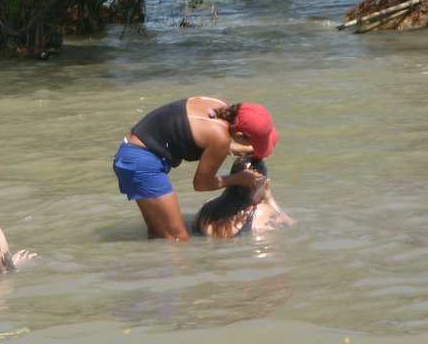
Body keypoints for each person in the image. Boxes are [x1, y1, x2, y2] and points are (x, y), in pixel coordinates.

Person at [113, 96, 278, 240]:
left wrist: (231, 147)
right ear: (240, 135)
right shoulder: (220, 138)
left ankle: (151, 272)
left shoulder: (218, 105)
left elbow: (193, 132)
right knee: (177, 239)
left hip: (132, 150)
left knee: (159, 235)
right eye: (250, 142)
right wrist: (238, 179)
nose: (250, 146)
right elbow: (201, 185)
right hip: (142, 163)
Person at [192, 157, 295, 237]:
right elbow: (291, 224)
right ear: (263, 184)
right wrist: (270, 200)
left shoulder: (207, 206)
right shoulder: (260, 211)